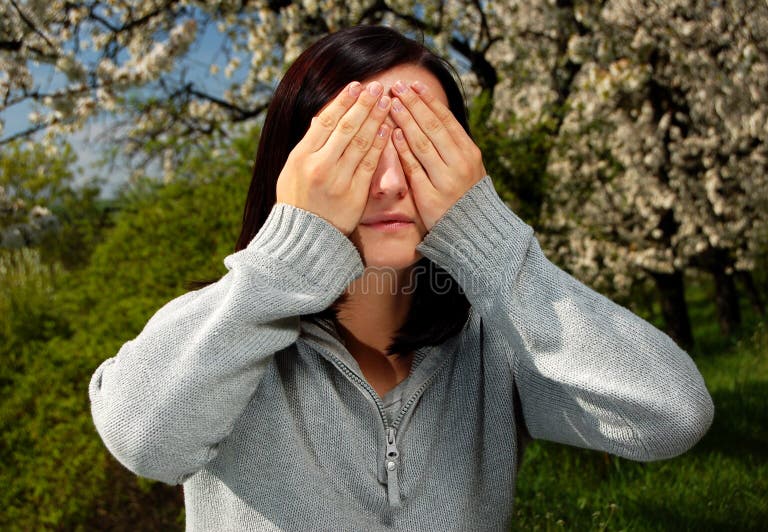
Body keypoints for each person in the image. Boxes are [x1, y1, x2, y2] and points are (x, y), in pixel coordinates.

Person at [88, 25, 714, 531]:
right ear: (294, 167)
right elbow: (145, 440)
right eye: (354, 148)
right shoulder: (226, 332)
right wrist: (287, 258)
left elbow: (672, 416)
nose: (389, 183)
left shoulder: (495, 344)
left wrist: (491, 243)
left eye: (421, 147)